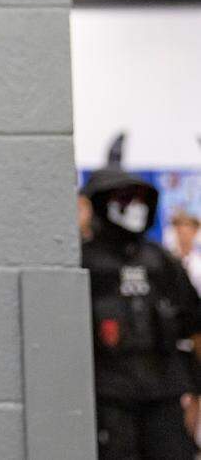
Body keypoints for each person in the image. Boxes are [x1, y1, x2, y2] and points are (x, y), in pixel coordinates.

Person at [82, 164, 201, 459]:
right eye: (123, 199)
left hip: (164, 395)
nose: (133, 208)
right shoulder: (84, 262)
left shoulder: (160, 261)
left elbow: (195, 326)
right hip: (109, 399)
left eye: (138, 199)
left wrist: (197, 394)